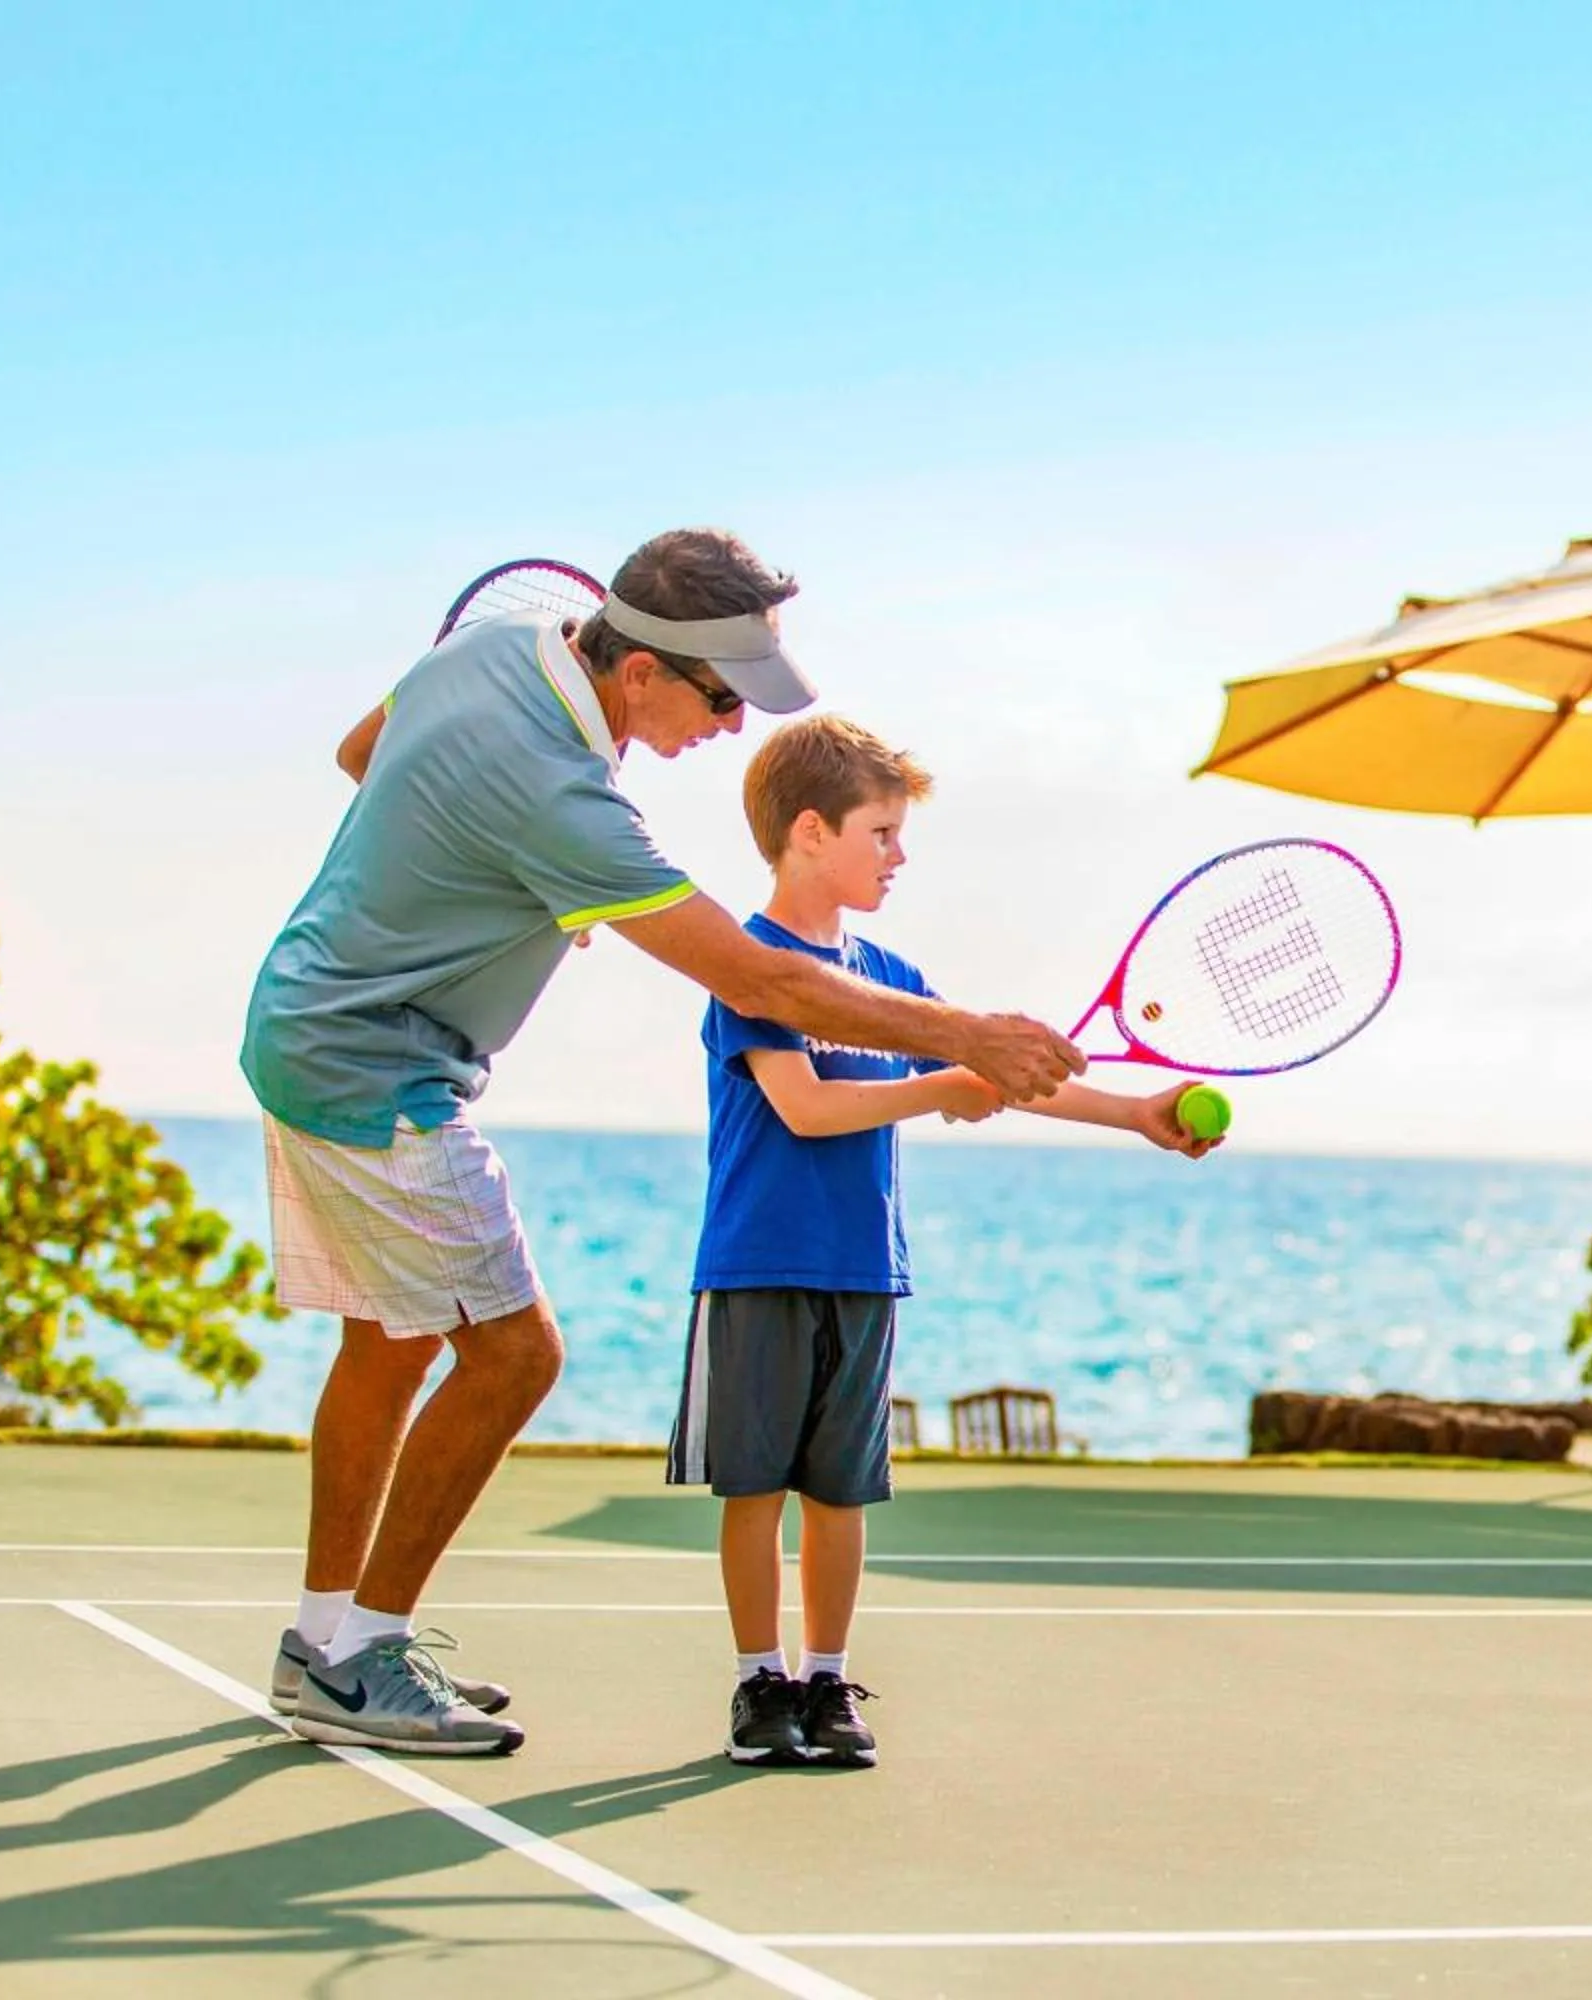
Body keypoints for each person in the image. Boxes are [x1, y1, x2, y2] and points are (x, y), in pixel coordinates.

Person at [241, 529, 1083, 1756]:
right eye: (721, 695)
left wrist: (483, 866)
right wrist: (967, 1033)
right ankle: (360, 1654)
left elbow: (363, 752)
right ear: (640, 672)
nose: (735, 725)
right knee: (513, 1356)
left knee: (390, 1340)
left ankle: (326, 1640)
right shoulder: (569, 803)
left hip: (307, 1020)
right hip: (377, 1065)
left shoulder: (494, 649)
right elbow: (763, 980)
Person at [671, 714, 1215, 1768]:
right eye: (881, 832)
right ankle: (758, 1682)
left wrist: (1135, 1113)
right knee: (755, 1487)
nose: (899, 855)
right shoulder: (754, 970)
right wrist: (941, 1086)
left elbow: (1004, 1070)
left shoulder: (892, 974)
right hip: (757, 1259)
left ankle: (825, 1679)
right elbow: (806, 1109)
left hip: (865, 1265)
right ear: (810, 832)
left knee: (841, 1489)